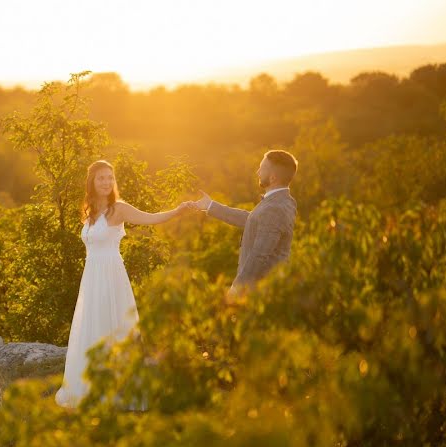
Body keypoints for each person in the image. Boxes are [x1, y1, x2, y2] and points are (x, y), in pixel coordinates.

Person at [55, 159, 196, 410]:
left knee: (113, 326)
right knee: (92, 324)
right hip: (92, 275)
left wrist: (177, 211)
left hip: (111, 274)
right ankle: (89, 387)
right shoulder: (89, 210)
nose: (107, 182)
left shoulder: (118, 209)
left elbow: (150, 219)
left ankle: (118, 390)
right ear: (91, 181)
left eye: (110, 177)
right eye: (101, 178)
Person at [193, 150, 299, 298]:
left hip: (261, 293)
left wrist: (236, 289)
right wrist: (210, 205)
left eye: (262, 168)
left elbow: (259, 255)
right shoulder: (283, 201)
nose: (257, 172)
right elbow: (252, 220)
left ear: (273, 177)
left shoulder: (274, 208)